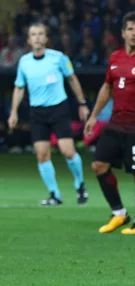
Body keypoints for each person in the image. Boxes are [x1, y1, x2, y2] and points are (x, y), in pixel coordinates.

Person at [84, 12, 135, 235]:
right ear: (123, 33)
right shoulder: (115, 58)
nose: (134, 33)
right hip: (115, 124)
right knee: (98, 165)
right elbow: (106, 88)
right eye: (130, 29)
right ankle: (119, 213)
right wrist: (93, 116)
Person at [8, 22, 89, 206]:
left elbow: (72, 78)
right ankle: (55, 194)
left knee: (68, 151)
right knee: (42, 155)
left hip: (58, 109)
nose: (37, 37)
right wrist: (13, 112)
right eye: (33, 34)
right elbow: (19, 87)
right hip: (37, 112)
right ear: (29, 40)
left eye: (40, 34)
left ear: (46, 38)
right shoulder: (24, 62)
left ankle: (80, 184)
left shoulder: (58, 58)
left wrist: (82, 103)